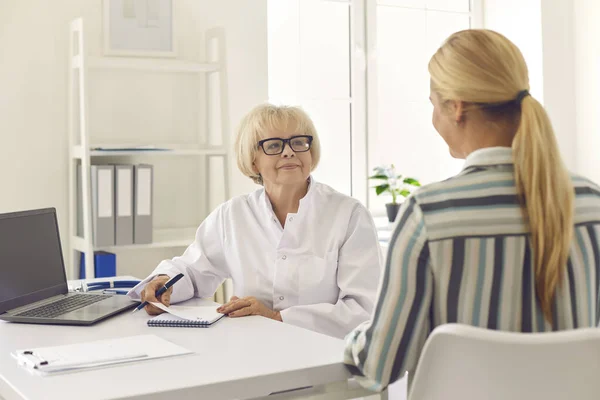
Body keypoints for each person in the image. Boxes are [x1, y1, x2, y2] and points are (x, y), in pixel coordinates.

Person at [344, 29, 600, 391]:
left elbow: (379, 366)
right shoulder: (592, 203)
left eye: (433, 103)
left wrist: (355, 336)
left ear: (456, 107)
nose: (434, 117)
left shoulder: (428, 215)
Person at [128, 104, 382, 339]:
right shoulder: (233, 215)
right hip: (252, 347)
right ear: (253, 160)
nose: (289, 152)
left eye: (298, 142)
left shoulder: (348, 215)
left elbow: (364, 308)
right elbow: (194, 272)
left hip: (328, 355)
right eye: (273, 145)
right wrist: (164, 283)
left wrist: (277, 318)